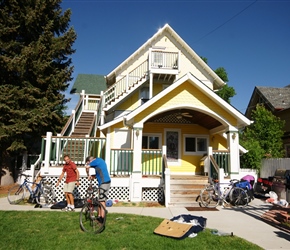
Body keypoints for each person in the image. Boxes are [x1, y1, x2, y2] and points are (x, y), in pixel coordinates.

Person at [85, 156, 111, 223]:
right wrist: (92, 176)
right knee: (100, 200)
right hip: (104, 182)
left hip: (104, 182)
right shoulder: (99, 161)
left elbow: (86, 166)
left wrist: (88, 174)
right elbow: (98, 174)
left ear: (90, 161)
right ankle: (99, 216)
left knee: (102, 201)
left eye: (88, 162)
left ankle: (102, 219)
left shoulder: (95, 161)